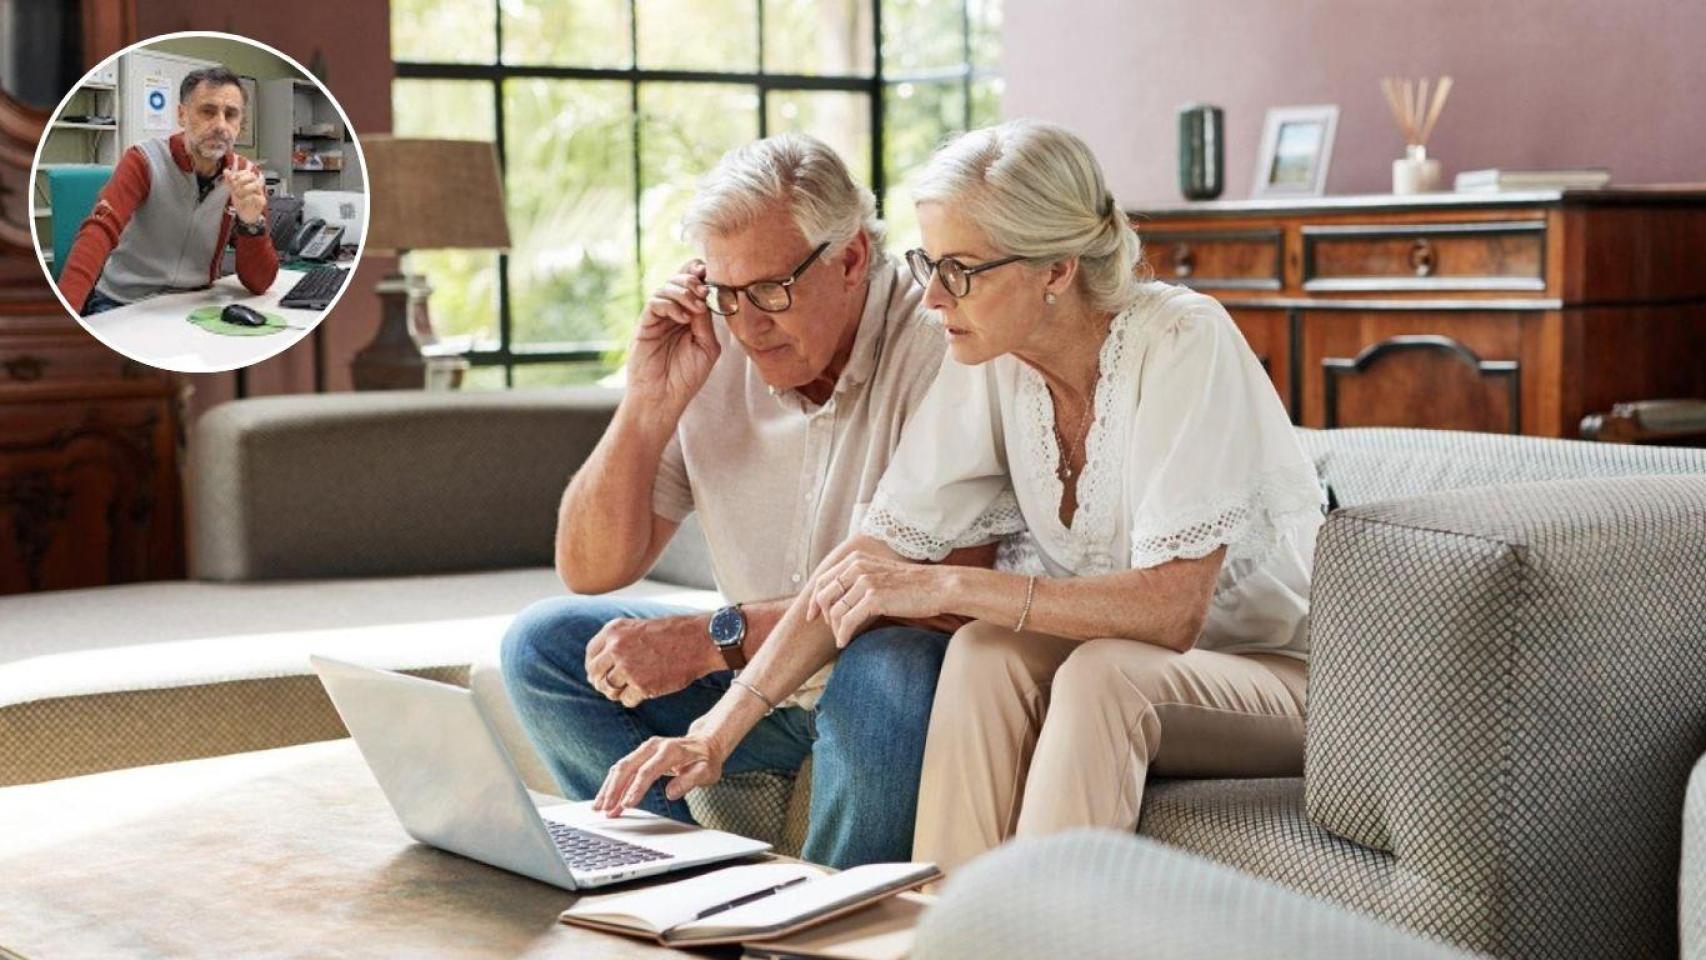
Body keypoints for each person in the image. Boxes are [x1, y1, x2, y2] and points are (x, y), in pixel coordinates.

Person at [592, 120, 1325, 877]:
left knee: (1102, 676)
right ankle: (941, 930)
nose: (933, 296)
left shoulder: (1182, 341)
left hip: (1276, 678)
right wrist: (716, 731)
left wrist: (945, 583)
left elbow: (1173, 612)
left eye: (961, 270)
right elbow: (869, 560)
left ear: (1056, 269)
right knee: (983, 650)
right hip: (1136, 663)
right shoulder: (992, 360)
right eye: (928, 263)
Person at [499, 134, 989, 870]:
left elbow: (941, 590)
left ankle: (817, 932)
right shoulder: (718, 337)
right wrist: (647, 402)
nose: (749, 324)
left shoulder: (941, 342)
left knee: (894, 662)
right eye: (727, 294)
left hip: (889, 693)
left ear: (852, 258)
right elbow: (591, 569)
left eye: (769, 290)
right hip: (759, 682)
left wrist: (711, 639)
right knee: (545, 646)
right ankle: (677, 890)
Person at [57, 66, 277, 316]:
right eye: (207, 111)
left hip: (193, 307)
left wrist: (251, 224)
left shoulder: (247, 178)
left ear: (240, 124)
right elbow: (99, 231)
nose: (220, 125)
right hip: (125, 302)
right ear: (181, 115)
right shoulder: (143, 160)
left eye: (231, 115)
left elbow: (259, 283)